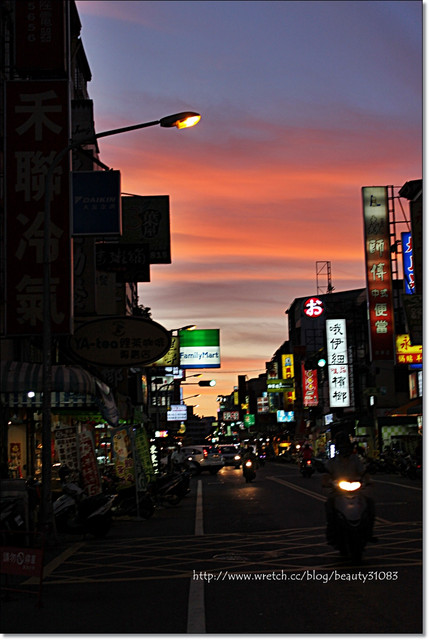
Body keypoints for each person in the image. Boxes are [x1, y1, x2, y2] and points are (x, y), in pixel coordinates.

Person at [323, 431, 376, 545]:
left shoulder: (355, 459)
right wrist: (327, 482)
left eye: (346, 445)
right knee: (329, 506)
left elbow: (363, 472)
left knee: (370, 504)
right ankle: (332, 533)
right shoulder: (332, 462)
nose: (344, 448)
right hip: (339, 492)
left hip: (356, 490)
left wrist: (368, 480)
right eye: (342, 446)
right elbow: (326, 475)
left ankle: (369, 532)